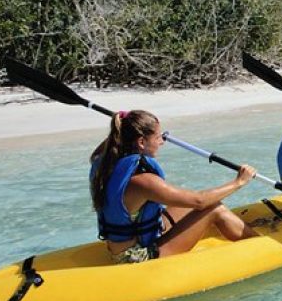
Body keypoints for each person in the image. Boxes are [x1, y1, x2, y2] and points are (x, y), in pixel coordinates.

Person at [90, 110, 258, 264]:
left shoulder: (104, 163)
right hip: (137, 256)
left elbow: (105, 147)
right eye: (158, 137)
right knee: (214, 208)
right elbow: (200, 201)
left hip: (128, 241)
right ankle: (259, 244)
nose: (162, 141)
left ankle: (240, 230)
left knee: (184, 207)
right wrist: (239, 182)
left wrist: (125, 125)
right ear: (141, 141)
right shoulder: (144, 182)